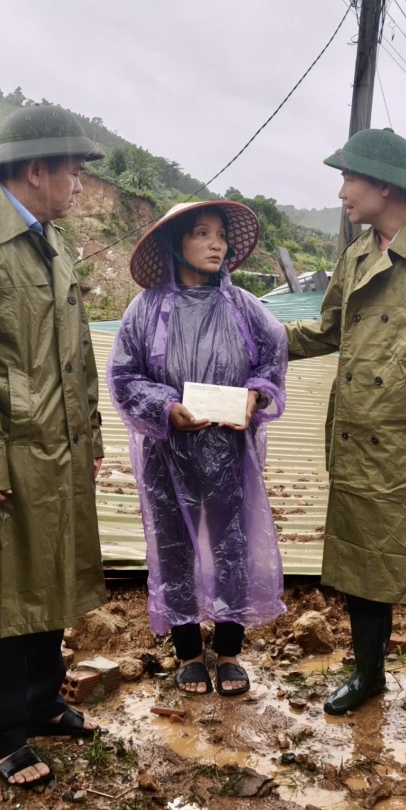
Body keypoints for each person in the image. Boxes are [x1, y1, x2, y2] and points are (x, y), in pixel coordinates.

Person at [0, 105, 107, 789]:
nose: (80, 187)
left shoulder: (52, 240)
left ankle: (41, 701)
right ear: (37, 170)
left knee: (48, 575)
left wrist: (87, 435)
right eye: (73, 172)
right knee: (3, 587)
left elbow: (77, 352)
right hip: (2, 447)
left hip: (55, 445)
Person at [285, 127, 406, 727]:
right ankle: (367, 674)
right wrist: (252, 336)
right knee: (360, 567)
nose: (343, 192)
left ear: (384, 185)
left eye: (349, 179)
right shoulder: (354, 255)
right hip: (357, 435)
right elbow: (328, 331)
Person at [108, 201, 288, 695]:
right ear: (175, 244)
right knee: (173, 544)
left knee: (233, 542)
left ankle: (229, 651)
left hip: (231, 451)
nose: (216, 244)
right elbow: (125, 376)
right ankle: (188, 652)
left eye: (221, 236)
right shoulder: (145, 309)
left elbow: (272, 362)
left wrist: (256, 394)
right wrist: (166, 407)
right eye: (202, 234)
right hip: (167, 451)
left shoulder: (246, 307)